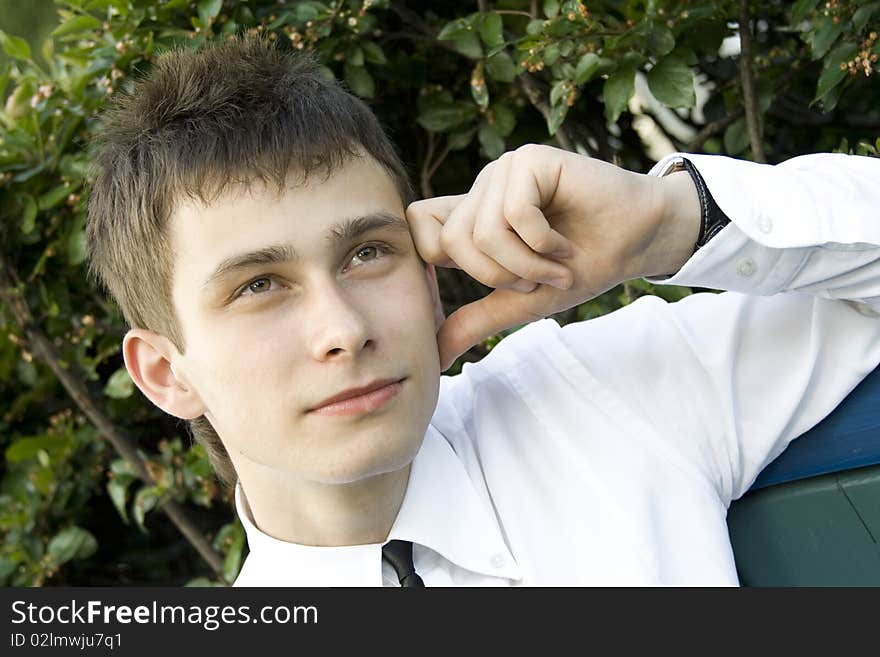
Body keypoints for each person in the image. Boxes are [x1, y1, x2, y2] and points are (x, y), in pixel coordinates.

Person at [85, 36, 880, 587]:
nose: (344, 329)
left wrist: (664, 223)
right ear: (165, 372)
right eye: (258, 285)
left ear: (432, 274)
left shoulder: (596, 396)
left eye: (367, 252)